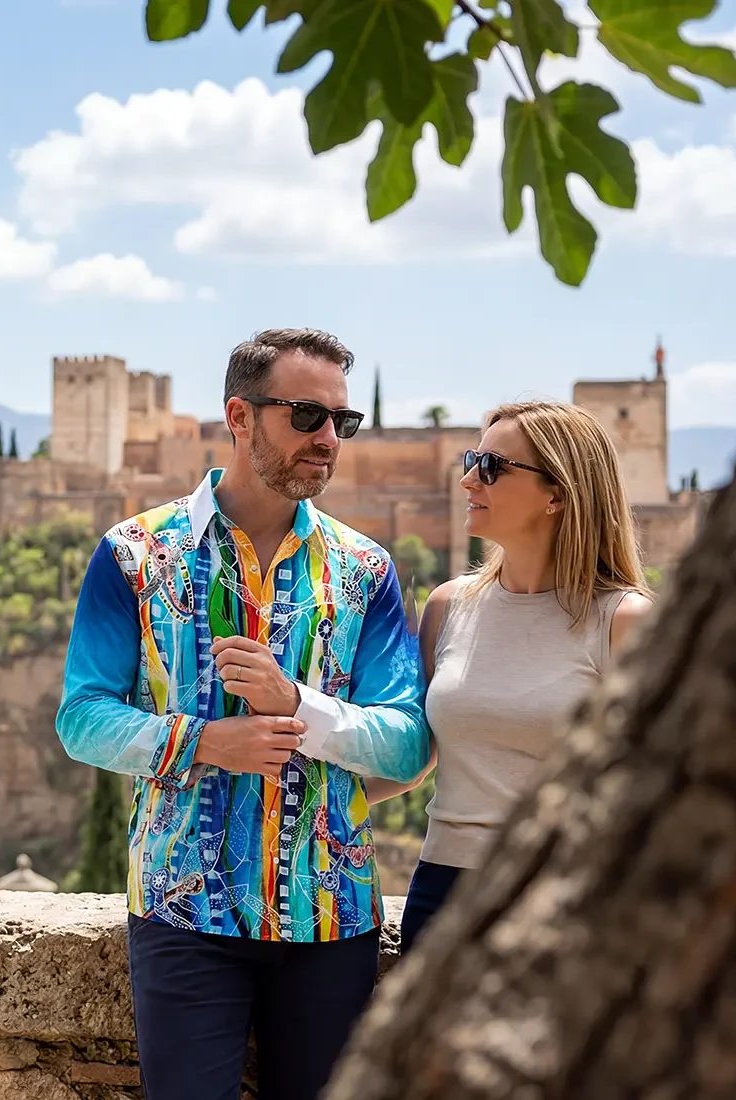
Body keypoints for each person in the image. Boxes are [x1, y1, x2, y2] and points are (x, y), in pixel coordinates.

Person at [57, 328, 431, 1100]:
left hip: (332, 921)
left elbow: (404, 744)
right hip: (183, 913)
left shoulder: (366, 572)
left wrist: (299, 707)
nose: (328, 438)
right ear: (240, 415)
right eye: (306, 416)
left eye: (342, 422)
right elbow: (82, 717)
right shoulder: (135, 555)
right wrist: (205, 742)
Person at [368, 400, 652, 954]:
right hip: (441, 890)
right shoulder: (448, 607)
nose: (469, 478)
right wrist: (292, 803)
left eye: (493, 467)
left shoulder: (624, 620)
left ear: (558, 494)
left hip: (561, 899)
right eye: (473, 459)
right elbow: (412, 763)